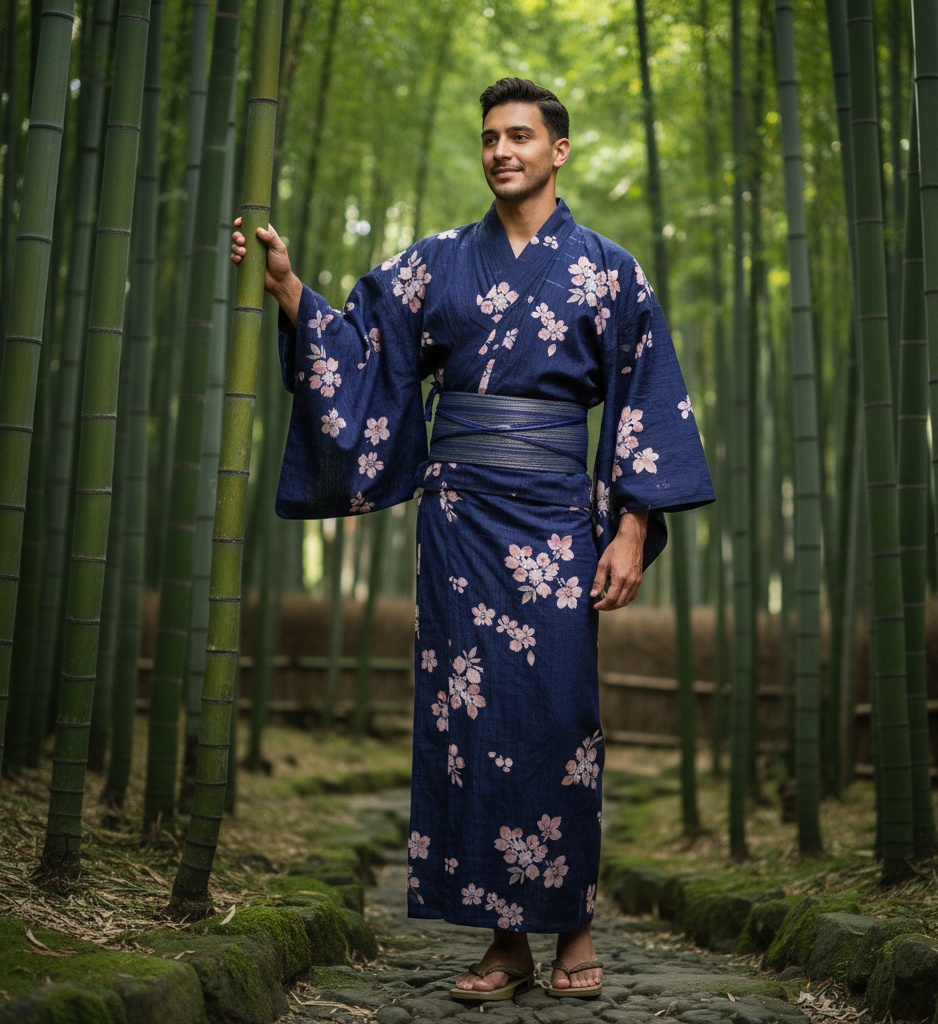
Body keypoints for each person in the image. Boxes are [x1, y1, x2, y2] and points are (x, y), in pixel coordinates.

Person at [231, 77, 714, 1002]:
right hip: (458, 523)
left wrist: (632, 522)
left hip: (557, 522)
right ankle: (505, 941)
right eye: (490, 136)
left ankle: (571, 923)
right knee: (472, 718)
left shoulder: (610, 268)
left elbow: (645, 397)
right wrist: (292, 289)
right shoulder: (437, 262)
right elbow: (362, 352)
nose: (501, 150)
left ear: (558, 150)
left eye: (521, 136)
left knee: (562, 717)